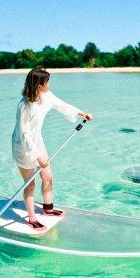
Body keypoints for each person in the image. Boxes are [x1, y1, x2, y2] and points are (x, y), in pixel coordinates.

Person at [11, 67, 92, 230]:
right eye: (46, 82)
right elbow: (24, 134)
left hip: (38, 142)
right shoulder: (24, 106)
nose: (49, 84)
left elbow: (61, 105)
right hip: (23, 147)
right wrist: (36, 156)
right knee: (30, 184)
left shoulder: (46, 96)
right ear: (39, 85)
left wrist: (80, 113)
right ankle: (32, 218)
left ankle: (47, 209)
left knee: (48, 176)